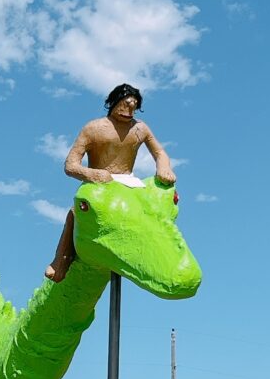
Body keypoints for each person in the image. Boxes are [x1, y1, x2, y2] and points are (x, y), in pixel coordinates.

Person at [45, 83, 176, 282]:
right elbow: (70, 165)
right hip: (100, 185)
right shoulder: (93, 128)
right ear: (113, 102)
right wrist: (94, 175)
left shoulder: (140, 128)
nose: (129, 111)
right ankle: (61, 259)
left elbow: (159, 152)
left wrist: (164, 167)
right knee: (76, 212)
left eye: (133, 106)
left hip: (128, 183)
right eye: (125, 105)